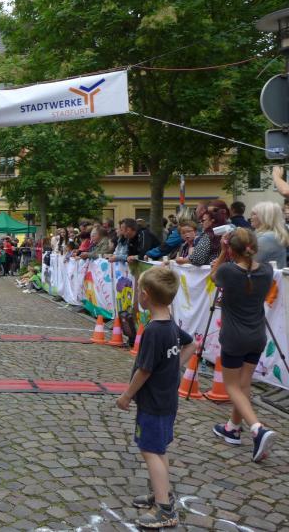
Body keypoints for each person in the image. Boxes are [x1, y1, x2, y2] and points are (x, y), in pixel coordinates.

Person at [116, 267, 196, 529]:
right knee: (159, 448)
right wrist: (174, 367)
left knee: (150, 450)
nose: (138, 294)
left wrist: (127, 395)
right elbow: (192, 344)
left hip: (153, 402)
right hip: (167, 400)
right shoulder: (169, 324)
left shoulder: (153, 331)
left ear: (146, 295)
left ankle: (164, 509)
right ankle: (163, 493)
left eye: (139, 290)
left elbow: (145, 370)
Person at [210, 228, 278, 462]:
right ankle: (232, 428)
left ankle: (257, 428)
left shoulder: (228, 271)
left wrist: (222, 253)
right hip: (257, 335)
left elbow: (213, 276)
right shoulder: (267, 271)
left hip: (233, 337)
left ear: (232, 249)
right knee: (244, 383)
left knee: (231, 386)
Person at [249, 201, 289, 269]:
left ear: (265, 217)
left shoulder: (266, 238)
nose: (251, 217)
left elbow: (248, 263)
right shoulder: (272, 235)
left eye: (254, 214)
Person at [191, 200, 229, 266]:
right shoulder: (231, 230)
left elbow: (197, 259)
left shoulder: (208, 235)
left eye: (203, 220)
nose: (201, 223)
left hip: (213, 270)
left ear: (212, 220)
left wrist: (190, 256)